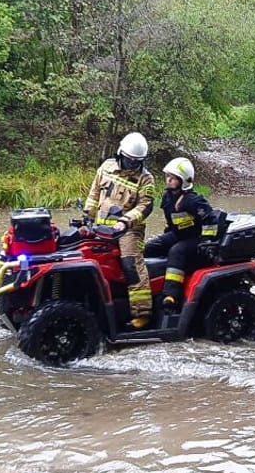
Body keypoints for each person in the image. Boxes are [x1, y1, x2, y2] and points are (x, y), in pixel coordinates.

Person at [84, 132, 156, 328]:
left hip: (129, 230)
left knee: (131, 264)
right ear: (120, 153)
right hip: (101, 226)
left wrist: (125, 222)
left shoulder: (146, 179)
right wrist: (87, 217)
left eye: (136, 162)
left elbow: (145, 207)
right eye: (129, 161)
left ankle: (142, 313)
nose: (132, 165)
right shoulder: (107, 166)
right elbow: (94, 193)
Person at [144, 157, 216, 313]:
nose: (168, 180)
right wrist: (165, 237)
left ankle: (171, 296)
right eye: (167, 176)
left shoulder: (193, 201)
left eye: (173, 178)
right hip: (178, 234)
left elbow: (211, 219)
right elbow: (172, 223)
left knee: (177, 251)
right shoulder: (167, 198)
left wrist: (207, 240)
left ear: (184, 180)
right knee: (150, 247)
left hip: (196, 239)